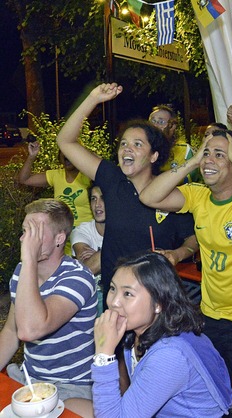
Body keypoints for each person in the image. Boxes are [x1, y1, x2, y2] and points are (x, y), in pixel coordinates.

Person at [139, 129, 232, 417]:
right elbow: (149, 196)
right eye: (207, 153)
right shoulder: (198, 196)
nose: (210, 160)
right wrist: (193, 162)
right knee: (211, 399)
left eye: (220, 154)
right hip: (211, 318)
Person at [57, 84, 199, 308]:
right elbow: (65, 141)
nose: (126, 149)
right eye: (123, 144)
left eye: (137, 144)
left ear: (154, 156)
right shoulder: (113, 180)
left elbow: (193, 237)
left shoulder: (169, 193)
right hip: (117, 301)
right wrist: (92, 99)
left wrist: (178, 254)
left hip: (157, 301)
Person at [67, 252, 232, 417]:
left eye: (128, 294)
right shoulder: (134, 330)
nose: (113, 302)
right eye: (112, 288)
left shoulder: (170, 355)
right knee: (68, 404)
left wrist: (104, 354)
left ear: (158, 303)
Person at [0, 199, 96, 403]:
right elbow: (12, 331)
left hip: (73, 386)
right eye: (25, 231)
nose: (24, 240)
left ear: (59, 238)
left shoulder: (78, 277)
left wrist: (28, 260)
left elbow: (30, 330)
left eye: (34, 233)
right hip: (29, 378)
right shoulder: (22, 272)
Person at [17, 142, 92, 227]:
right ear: (60, 157)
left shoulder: (89, 175)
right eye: (63, 153)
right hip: (62, 234)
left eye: (70, 154)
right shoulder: (56, 175)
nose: (66, 156)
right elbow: (24, 179)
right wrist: (31, 156)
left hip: (86, 235)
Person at [71, 184, 106, 313]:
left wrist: (97, 254)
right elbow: (89, 267)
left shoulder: (125, 230)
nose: (97, 204)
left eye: (103, 198)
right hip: (91, 295)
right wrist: (117, 251)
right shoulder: (82, 231)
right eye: (93, 199)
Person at [149, 104, 199, 184]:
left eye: (161, 122)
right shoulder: (142, 149)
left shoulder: (184, 151)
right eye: (153, 121)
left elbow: (190, 179)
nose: (155, 125)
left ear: (172, 127)